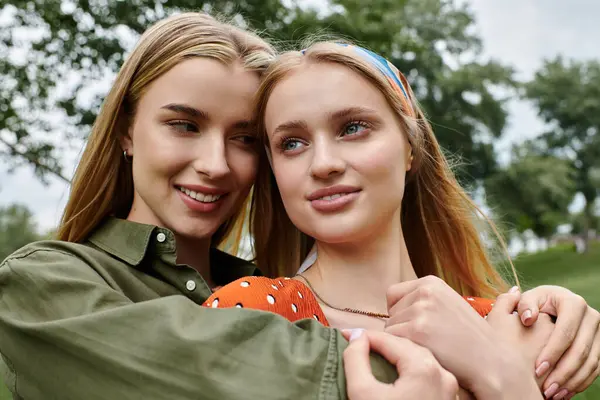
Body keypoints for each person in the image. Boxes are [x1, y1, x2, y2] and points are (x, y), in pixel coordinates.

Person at [0, 14, 409, 400]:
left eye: (245, 138)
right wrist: (440, 362)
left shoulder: (284, 292)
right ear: (126, 130)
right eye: (184, 126)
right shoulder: (39, 284)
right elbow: (216, 377)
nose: (215, 165)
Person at [205, 41, 600, 399]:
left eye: (353, 128)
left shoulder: (506, 327)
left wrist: (499, 372)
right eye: (292, 143)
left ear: (410, 147)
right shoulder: (248, 312)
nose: (323, 164)